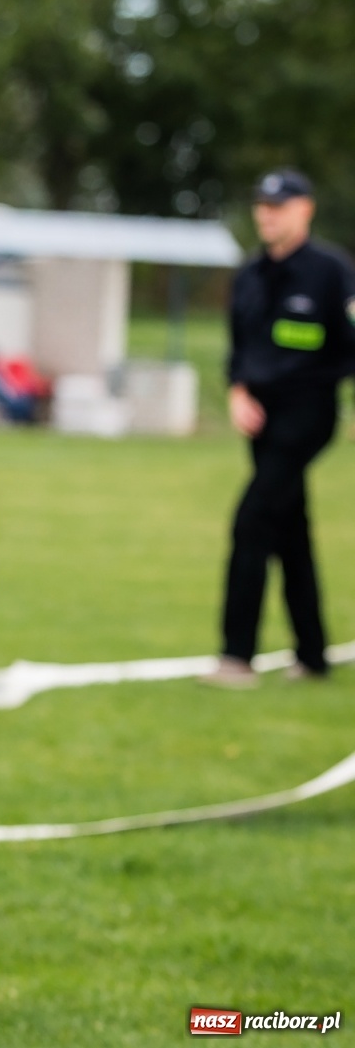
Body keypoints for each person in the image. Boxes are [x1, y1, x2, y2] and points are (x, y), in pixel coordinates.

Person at [202, 168, 355, 687]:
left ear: (305, 209)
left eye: (280, 205)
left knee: (252, 522)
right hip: (261, 420)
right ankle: (312, 657)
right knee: (291, 533)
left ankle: (235, 657)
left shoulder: (333, 272)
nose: (268, 214)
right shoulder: (249, 276)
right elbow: (239, 350)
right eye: (262, 205)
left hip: (308, 414)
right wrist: (238, 391)